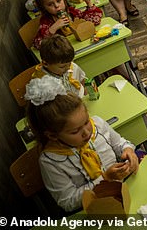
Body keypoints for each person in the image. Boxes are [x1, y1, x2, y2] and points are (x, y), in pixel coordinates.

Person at [25, 75, 138, 212]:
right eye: (75, 131)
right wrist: (105, 178)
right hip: (95, 207)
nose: (86, 132)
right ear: (53, 135)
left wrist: (128, 150)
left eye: (86, 122)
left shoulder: (97, 124)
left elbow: (120, 143)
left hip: (127, 188)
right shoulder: (51, 161)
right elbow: (67, 202)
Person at [32, 0, 102, 49]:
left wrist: (88, 2)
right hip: (65, 52)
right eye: (50, 4)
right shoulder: (46, 21)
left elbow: (94, 21)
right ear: (44, 8)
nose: (56, 6)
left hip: (84, 45)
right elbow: (38, 44)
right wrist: (53, 28)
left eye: (58, 1)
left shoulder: (72, 12)